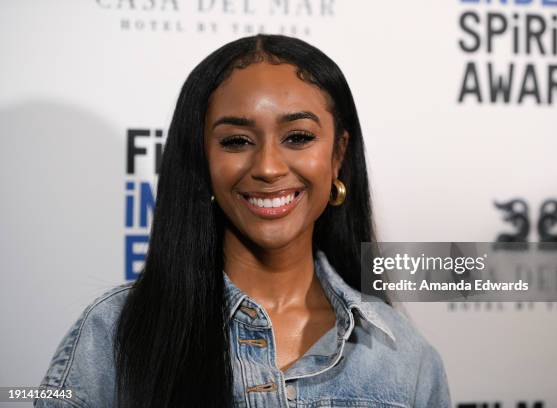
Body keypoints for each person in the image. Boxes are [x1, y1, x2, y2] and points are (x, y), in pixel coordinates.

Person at [35, 34, 451, 408]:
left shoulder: (405, 358)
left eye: (298, 137)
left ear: (338, 154)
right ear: (204, 159)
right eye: (236, 141)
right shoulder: (113, 334)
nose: (268, 167)